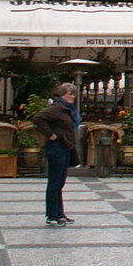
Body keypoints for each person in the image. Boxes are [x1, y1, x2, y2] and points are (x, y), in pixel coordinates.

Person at [33, 83, 79, 226]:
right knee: (54, 182)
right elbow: (38, 118)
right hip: (56, 148)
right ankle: (52, 215)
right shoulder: (56, 108)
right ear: (62, 94)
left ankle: (59, 212)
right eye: (69, 93)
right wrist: (51, 135)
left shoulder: (68, 110)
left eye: (74, 94)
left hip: (65, 147)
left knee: (60, 182)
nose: (72, 96)